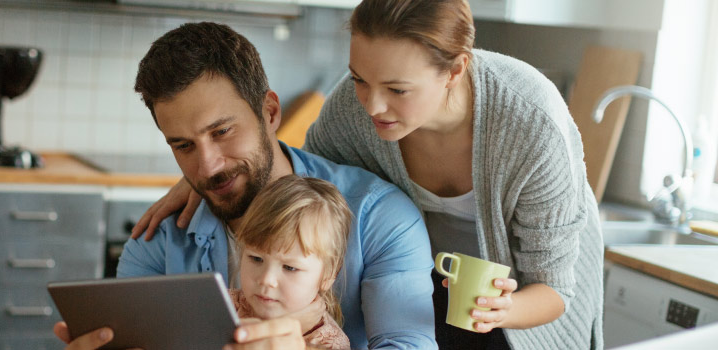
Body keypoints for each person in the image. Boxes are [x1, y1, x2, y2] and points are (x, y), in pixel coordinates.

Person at [132, 1, 605, 349]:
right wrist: (207, 175)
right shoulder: (353, 110)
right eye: (359, 78)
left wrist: (506, 310)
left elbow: (554, 285)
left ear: (456, 70)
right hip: (433, 283)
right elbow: (301, 187)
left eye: (397, 89)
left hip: (526, 294)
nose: (373, 106)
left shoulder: (530, 122)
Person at [55, 21, 437, 350]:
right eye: (183, 146)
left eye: (222, 131)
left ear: (269, 112)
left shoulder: (379, 217)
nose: (208, 166)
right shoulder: (158, 239)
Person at [231, 174, 352, 349]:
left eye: (289, 267)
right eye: (256, 258)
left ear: (328, 275)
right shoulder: (223, 306)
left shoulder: (328, 343)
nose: (266, 279)